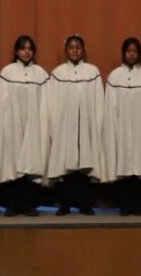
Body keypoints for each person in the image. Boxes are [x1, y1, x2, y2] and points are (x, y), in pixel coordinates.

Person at [36, 35, 105, 216]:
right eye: (72, 47)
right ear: (66, 50)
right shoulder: (58, 73)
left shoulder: (92, 71)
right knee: (66, 166)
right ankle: (65, 204)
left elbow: (98, 100)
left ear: (83, 50)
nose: (75, 51)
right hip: (65, 126)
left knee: (84, 167)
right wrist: (55, 125)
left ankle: (85, 204)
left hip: (86, 126)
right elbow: (52, 102)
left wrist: (96, 124)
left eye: (78, 47)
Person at [0, 35, 49, 217]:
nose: (26, 52)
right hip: (12, 123)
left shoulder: (40, 74)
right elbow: (1, 100)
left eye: (29, 48)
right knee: (13, 162)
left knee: (31, 160)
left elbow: (46, 102)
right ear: (16, 51)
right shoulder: (7, 72)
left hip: (34, 123)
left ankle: (29, 204)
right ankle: (12, 204)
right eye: (23, 48)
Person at [104, 37, 141, 215]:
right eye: (129, 51)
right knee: (123, 166)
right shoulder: (115, 76)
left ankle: (138, 205)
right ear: (124, 53)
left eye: (135, 51)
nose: (132, 54)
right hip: (121, 126)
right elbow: (110, 105)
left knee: (139, 167)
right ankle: (124, 205)